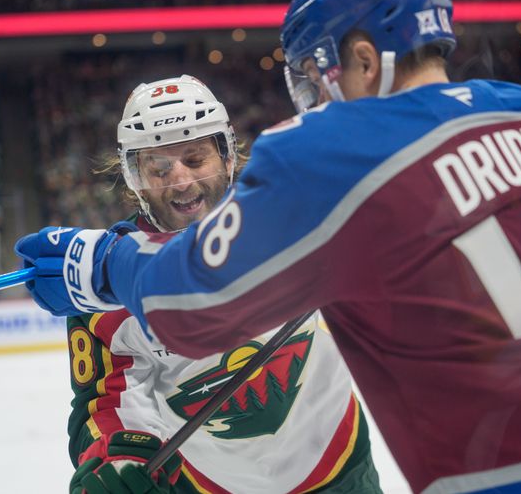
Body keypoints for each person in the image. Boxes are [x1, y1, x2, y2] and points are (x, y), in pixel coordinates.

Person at [16, 0, 521, 493]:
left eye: (316, 74)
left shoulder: (328, 151)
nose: (318, 98)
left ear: (362, 58)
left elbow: (190, 304)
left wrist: (97, 262)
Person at [21, 75, 382, 493]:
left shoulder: (296, 212)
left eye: (195, 160)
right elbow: (106, 401)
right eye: (158, 168)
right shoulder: (102, 289)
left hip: (338, 465)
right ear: (133, 177)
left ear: (228, 156)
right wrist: (117, 455)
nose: (182, 182)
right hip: (209, 485)